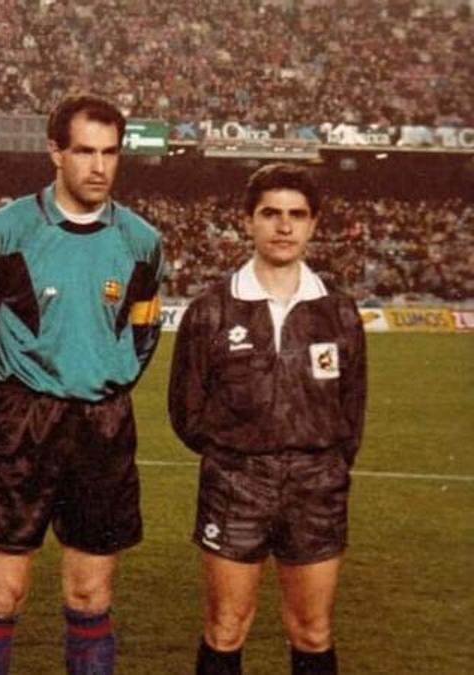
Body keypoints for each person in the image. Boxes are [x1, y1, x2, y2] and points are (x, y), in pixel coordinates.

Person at [0, 94, 164, 674]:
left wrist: (106, 377)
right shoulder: (4, 232)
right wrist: (7, 406)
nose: (98, 166)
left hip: (104, 423)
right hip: (26, 422)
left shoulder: (143, 242)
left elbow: (144, 333)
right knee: (3, 595)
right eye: (83, 151)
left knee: (91, 597)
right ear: (54, 152)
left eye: (110, 153)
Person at [168, 163, 367, 675]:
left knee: (313, 630)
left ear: (313, 224)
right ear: (249, 221)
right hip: (236, 483)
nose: (284, 226)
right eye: (271, 214)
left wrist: (314, 460)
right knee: (226, 627)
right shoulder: (212, 310)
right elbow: (186, 411)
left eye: (297, 215)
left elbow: (352, 413)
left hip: (316, 486)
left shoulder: (339, 313)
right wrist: (240, 451)